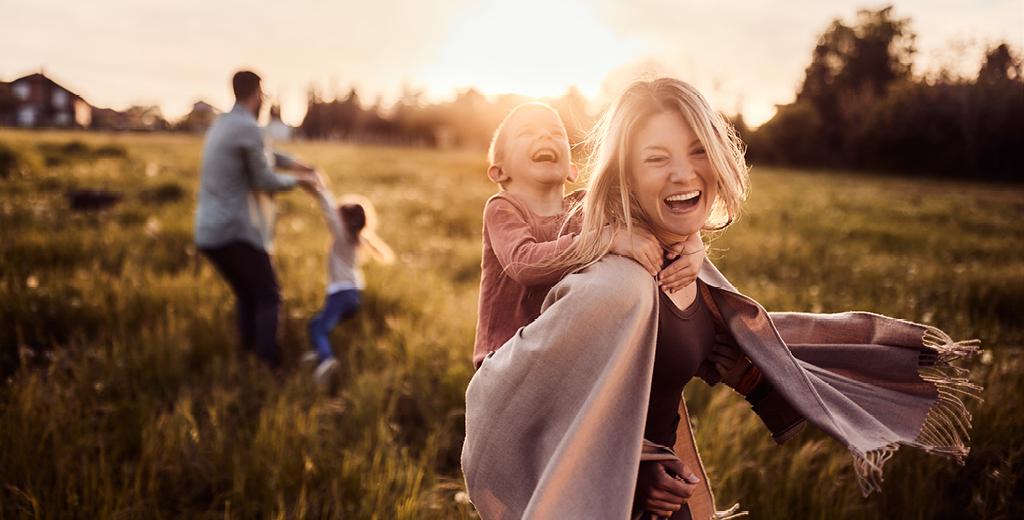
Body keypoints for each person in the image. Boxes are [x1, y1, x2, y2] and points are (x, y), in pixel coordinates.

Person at [462, 78, 981, 519]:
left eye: (697, 150)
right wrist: (632, 471)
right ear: (625, 175)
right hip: (600, 494)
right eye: (657, 158)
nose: (686, 172)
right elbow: (546, 411)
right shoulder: (611, 279)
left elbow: (715, 345)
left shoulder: (674, 258)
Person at [473, 102, 706, 370]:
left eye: (556, 133)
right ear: (499, 171)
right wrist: (606, 239)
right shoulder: (503, 207)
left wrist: (692, 242)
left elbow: (654, 219)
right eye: (527, 132)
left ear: (573, 170)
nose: (545, 136)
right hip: (506, 359)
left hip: (564, 355)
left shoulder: (588, 206)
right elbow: (523, 263)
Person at [194, 70, 322, 367]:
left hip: (209, 232)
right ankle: (268, 366)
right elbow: (264, 179)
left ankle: (247, 353)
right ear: (256, 94)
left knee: (247, 293)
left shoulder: (224, 124)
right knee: (269, 296)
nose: (264, 98)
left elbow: (265, 152)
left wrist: (295, 163)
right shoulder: (248, 128)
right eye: (263, 93)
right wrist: (303, 182)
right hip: (234, 231)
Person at [305, 184, 395, 383]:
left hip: (340, 295)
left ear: (343, 221)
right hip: (354, 295)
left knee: (319, 329)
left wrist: (320, 190)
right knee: (316, 324)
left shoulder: (342, 237)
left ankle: (327, 360)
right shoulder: (356, 239)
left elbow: (329, 214)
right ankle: (319, 352)